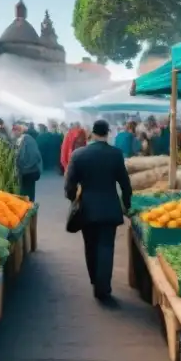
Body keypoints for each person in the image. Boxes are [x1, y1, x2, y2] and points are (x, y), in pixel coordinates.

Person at [64, 119, 132, 304]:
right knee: (106, 247)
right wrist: (127, 204)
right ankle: (104, 288)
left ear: (92, 133)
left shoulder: (79, 154)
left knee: (90, 246)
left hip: (87, 208)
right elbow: (125, 184)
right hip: (110, 207)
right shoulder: (116, 154)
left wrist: (73, 199)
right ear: (107, 133)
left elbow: (69, 184)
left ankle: (95, 280)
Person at [14, 124, 43, 200]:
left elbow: (34, 156)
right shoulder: (21, 139)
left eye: (14, 131)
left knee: (27, 194)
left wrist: (23, 167)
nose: (13, 133)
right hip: (26, 172)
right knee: (26, 193)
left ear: (19, 131)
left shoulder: (27, 139)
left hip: (28, 172)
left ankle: (29, 208)